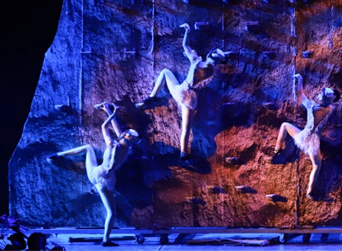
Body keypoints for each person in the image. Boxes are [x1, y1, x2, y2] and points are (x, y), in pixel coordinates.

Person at [48, 102, 141, 247]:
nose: (124, 133)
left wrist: (112, 115)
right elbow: (118, 132)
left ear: (126, 137)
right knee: (111, 212)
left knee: (88, 148)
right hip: (105, 180)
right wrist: (110, 112)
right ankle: (106, 240)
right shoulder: (125, 148)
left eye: (126, 134)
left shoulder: (113, 145)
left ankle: (58, 155)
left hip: (96, 174)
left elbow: (105, 127)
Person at [136, 23, 230, 158]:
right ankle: (183, 153)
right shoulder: (211, 71)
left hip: (182, 90)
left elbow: (185, 46)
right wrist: (223, 56)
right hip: (191, 99)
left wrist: (187, 31)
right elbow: (214, 60)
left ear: (210, 55)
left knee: (165, 72)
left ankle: (150, 98)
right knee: (186, 128)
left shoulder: (196, 61)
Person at [273, 74, 340, 198]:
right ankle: (310, 191)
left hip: (303, 137)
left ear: (323, 99)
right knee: (317, 166)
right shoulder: (328, 109)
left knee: (284, 125)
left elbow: (300, 95)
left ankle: (276, 151)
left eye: (321, 95)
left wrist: (300, 80)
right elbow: (328, 101)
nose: (319, 95)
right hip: (313, 142)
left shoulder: (312, 107)